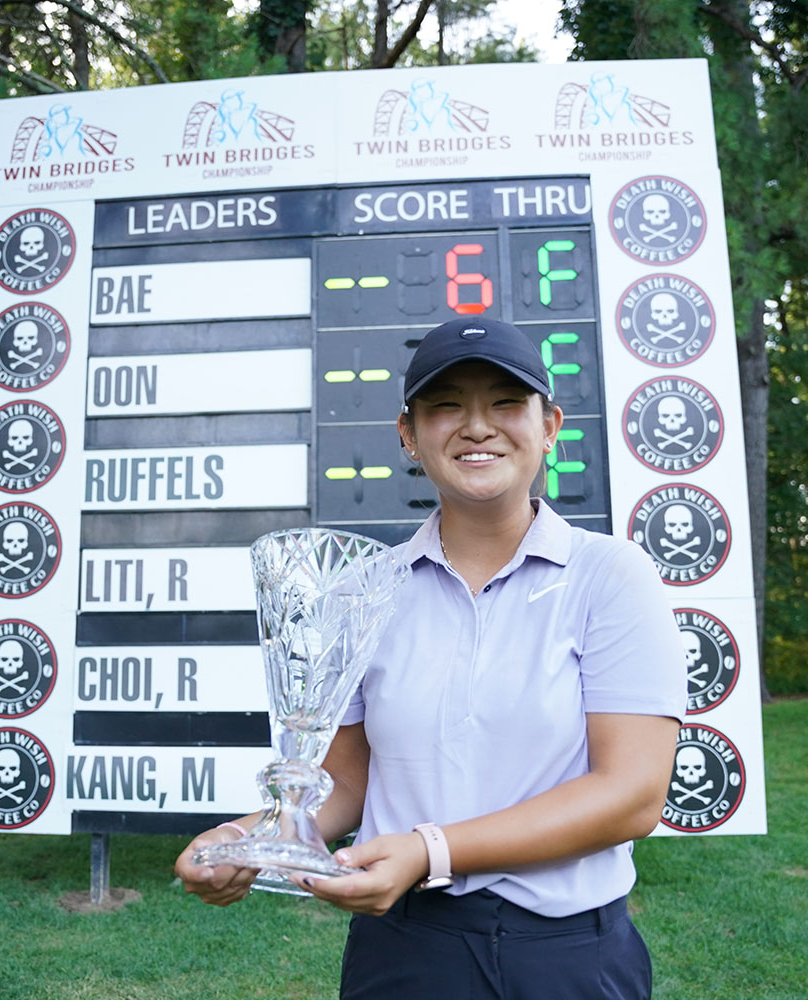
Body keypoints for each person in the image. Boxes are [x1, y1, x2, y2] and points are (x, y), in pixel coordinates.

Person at [176, 316, 687, 999]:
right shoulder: (363, 589)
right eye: (446, 405)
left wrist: (429, 850)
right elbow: (345, 786)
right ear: (408, 435)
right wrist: (245, 838)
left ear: (550, 426)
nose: (477, 425)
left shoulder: (613, 576)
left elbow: (632, 795)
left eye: (506, 403)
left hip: (567, 956)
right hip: (404, 951)